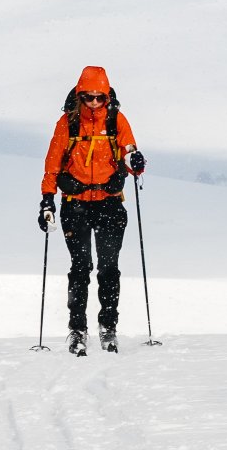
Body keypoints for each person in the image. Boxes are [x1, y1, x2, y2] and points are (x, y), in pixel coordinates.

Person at [37, 66, 146, 355]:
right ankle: (77, 330)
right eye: (89, 97)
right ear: (80, 95)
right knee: (81, 267)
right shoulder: (67, 124)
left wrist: (134, 162)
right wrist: (47, 200)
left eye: (100, 97)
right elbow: (52, 164)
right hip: (76, 206)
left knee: (109, 267)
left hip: (110, 203)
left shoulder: (116, 120)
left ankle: (108, 327)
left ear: (107, 96)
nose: (95, 103)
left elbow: (130, 152)